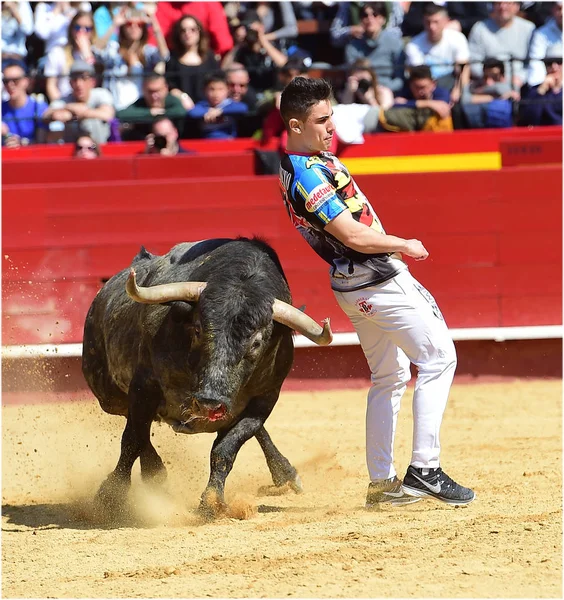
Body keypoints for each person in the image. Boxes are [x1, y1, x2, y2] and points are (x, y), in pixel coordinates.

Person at [278, 76, 476, 508]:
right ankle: (425, 470)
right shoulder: (308, 176)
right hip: (379, 280)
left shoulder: (308, 163)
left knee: (390, 378)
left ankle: (383, 483)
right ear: (295, 125)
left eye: (332, 118)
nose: (332, 128)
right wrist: (403, 244)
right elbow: (352, 233)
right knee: (440, 358)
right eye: (322, 120)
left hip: (354, 287)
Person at [95, 4, 169, 110]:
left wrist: (153, 20)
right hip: (116, 108)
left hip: (140, 109)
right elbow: (97, 52)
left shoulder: (147, 52)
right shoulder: (114, 49)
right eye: (129, 24)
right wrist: (114, 24)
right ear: (123, 28)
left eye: (139, 24)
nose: (134, 27)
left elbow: (164, 55)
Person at [405, 3, 470, 101]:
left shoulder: (457, 38)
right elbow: (419, 78)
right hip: (427, 88)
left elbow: (464, 69)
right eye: (428, 22)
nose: (432, 27)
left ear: (445, 21)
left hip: (451, 83)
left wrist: (458, 90)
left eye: (436, 22)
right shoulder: (413, 45)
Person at [42, 59, 115, 144]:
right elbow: (46, 115)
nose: (79, 84)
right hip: (73, 150)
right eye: (75, 79)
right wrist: (70, 107)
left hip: (100, 148)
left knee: (92, 121)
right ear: (70, 83)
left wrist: (81, 113)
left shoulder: (101, 94)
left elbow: (108, 115)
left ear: (92, 82)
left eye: (84, 78)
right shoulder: (65, 100)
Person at [468, 1, 535, 92]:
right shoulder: (480, 28)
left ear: (517, 6)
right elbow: (474, 62)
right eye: (498, 3)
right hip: (489, 84)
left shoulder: (529, 29)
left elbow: (533, 62)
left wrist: (521, 78)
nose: (502, 7)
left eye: (507, 3)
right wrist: (491, 78)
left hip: (520, 83)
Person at [343, 2, 404, 93]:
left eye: (375, 14)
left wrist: (383, 89)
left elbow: (400, 80)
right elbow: (352, 77)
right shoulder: (352, 46)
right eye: (365, 15)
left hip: (388, 93)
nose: (370, 19)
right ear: (360, 20)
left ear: (383, 19)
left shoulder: (395, 43)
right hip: (362, 93)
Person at [43, 10, 99, 101]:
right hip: (65, 102)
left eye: (87, 29)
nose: (81, 32)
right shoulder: (57, 52)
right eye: (77, 27)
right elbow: (51, 86)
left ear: (93, 32)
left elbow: (97, 83)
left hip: (90, 103)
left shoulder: (98, 54)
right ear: (71, 29)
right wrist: (60, 105)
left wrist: (87, 56)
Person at [165, 14, 219, 108]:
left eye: (192, 29)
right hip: (182, 109)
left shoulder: (210, 56)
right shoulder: (173, 58)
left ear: (199, 31)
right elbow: (170, 86)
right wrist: (183, 97)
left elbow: (218, 81)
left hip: (208, 110)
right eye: (183, 30)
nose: (188, 33)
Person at [155, 1, 233, 58]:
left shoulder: (210, 4)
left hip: (205, 58)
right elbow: (154, 42)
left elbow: (223, 42)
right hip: (173, 60)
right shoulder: (164, 5)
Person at [186, 71, 248, 139]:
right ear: (204, 90)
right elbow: (193, 112)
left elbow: (243, 108)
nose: (216, 94)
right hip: (205, 144)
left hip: (228, 142)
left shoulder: (229, 105)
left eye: (220, 89)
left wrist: (220, 111)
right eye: (212, 89)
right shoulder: (203, 105)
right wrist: (208, 111)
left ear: (228, 90)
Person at [2, 58, 48, 146]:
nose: (10, 85)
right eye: (6, 81)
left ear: (26, 81)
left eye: (15, 80)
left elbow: (42, 143)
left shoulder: (39, 107)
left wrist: (22, 143)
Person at [527, 1, 563, 87]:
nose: (562, 13)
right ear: (553, 10)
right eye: (559, 8)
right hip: (550, 87)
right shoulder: (540, 34)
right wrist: (541, 85)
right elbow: (536, 63)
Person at [519, 55, 563, 126]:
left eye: (559, 62)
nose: (554, 67)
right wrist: (541, 90)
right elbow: (527, 118)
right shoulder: (533, 91)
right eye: (549, 63)